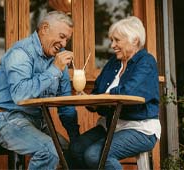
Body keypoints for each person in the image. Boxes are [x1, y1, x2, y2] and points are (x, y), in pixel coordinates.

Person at [0, 11, 80, 169]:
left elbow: (66, 105)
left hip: (38, 123)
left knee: (73, 154)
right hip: (5, 119)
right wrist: (55, 69)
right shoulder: (21, 53)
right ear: (44, 28)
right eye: (62, 36)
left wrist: (76, 139)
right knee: (50, 151)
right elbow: (21, 95)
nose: (64, 44)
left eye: (67, 40)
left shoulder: (58, 60)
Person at [69, 16, 161, 169]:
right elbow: (98, 91)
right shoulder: (113, 63)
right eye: (112, 40)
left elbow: (128, 92)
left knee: (94, 155)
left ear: (135, 40)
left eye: (117, 40)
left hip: (139, 128)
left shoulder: (146, 62)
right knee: (76, 149)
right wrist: (91, 101)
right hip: (110, 125)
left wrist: (100, 98)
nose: (112, 45)